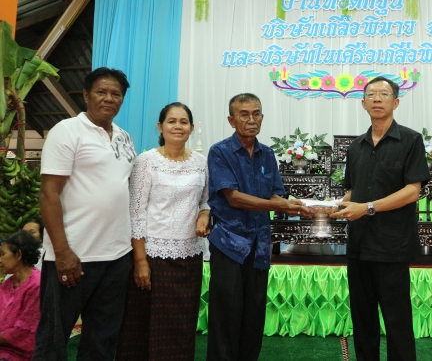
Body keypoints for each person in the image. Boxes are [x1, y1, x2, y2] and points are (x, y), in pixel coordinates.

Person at [33, 67, 136, 361]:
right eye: (101, 92)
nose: (109, 98)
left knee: (102, 339)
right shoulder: (66, 131)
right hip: (74, 256)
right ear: (86, 95)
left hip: (116, 256)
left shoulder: (124, 137)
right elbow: (49, 193)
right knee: (54, 339)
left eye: (116, 94)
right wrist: (63, 252)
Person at [330, 77, 430, 361]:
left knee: (397, 319)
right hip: (359, 245)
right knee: (362, 319)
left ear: (395, 102)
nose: (376, 98)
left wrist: (368, 208)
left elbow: (412, 191)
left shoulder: (410, 140)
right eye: (371, 94)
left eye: (383, 94)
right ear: (363, 103)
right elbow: (353, 191)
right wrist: (328, 207)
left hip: (392, 245)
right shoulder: (355, 147)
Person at [206, 93, 311, 361]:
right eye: (244, 114)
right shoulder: (220, 152)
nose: (251, 120)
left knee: (253, 317)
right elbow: (234, 198)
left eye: (256, 114)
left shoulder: (267, 154)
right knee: (226, 317)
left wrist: (296, 205)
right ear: (231, 120)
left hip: (259, 246)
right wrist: (279, 205)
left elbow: (275, 193)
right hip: (229, 244)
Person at [116, 102, 210, 360]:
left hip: (189, 258)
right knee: (145, 325)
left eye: (183, 122)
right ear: (160, 126)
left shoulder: (201, 162)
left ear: (191, 128)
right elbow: (135, 212)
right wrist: (140, 261)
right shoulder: (147, 162)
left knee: (181, 326)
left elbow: (205, 202)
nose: (178, 126)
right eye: (172, 121)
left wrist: (204, 216)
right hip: (152, 257)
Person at [0, 231, 42, 361]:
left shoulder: (37, 285)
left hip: (21, 355)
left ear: (18, 255)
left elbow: (23, 331)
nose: (0, 260)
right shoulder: (8, 283)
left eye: (2, 254)